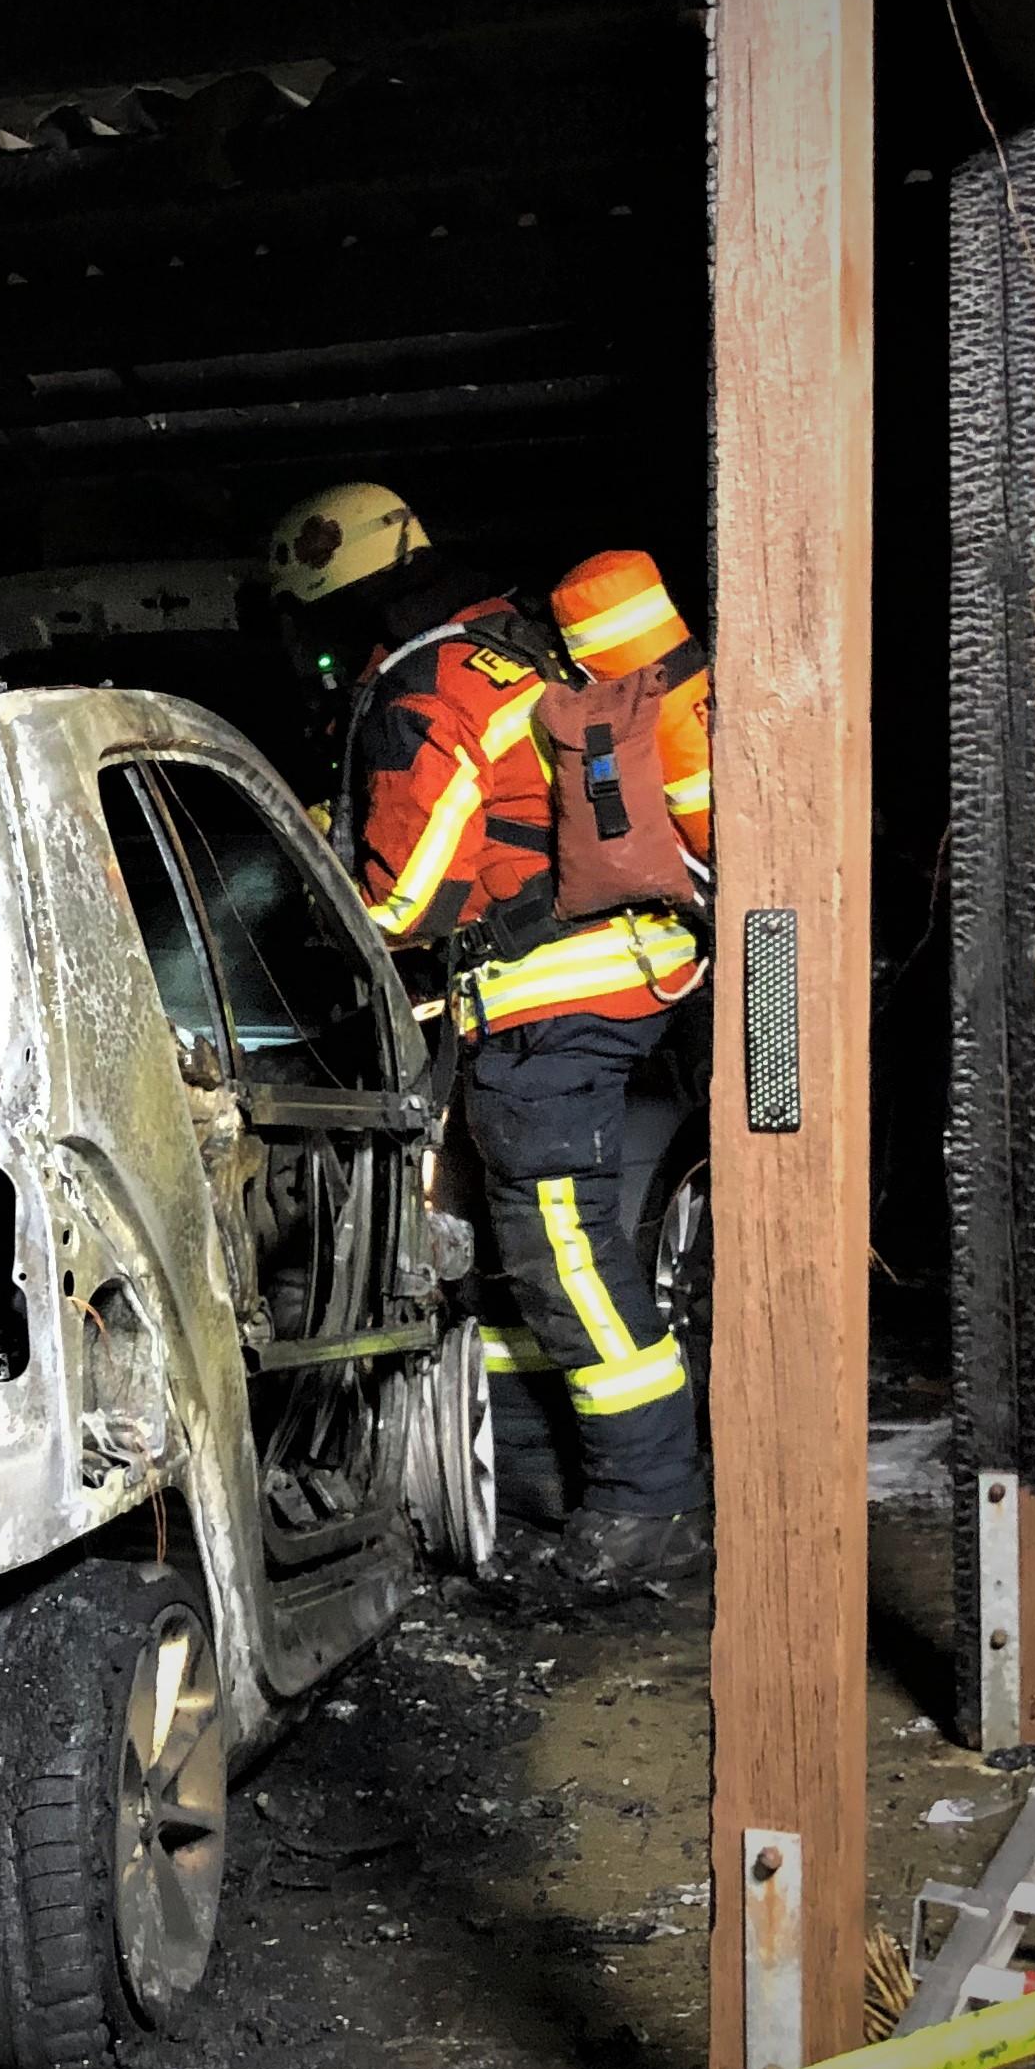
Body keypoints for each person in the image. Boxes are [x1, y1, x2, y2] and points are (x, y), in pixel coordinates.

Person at [268, 480, 714, 1584]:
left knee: (561, 1249)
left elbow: (404, 902)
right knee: (519, 1262)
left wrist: (305, 903)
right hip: (618, 974)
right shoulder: (506, 646)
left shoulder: (424, 683)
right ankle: (536, 1477)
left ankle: (653, 1502)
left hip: (553, 1000)